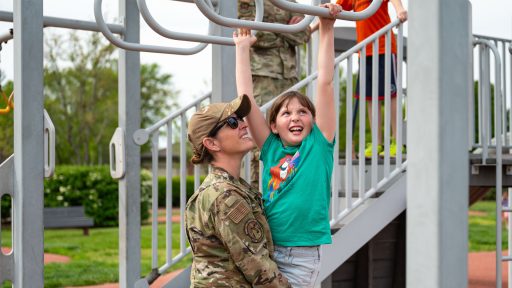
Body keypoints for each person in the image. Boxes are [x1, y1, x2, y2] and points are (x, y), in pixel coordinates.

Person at [234, 3, 341, 287]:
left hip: (301, 256)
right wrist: (242, 48)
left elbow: (325, 83)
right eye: (286, 113)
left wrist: (326, 28)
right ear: (273, 125)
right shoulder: (270, 148)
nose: (295, 117)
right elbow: (246, 101)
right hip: (266, 248)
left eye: (302, 112)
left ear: (313, 120)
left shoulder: (318, 146)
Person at [185, 95, 291, 287]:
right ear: (212, 143)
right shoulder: (225, 195)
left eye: (240, 119)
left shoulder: (229, 188)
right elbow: (259, 267)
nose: (243, 125)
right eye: (232, 122)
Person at [238, 0, 311, 188]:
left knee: (290, 137)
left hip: (289, 78)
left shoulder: (289, 2)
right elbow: (252, 34)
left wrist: (274, 28)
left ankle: (285, 186)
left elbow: (304, 34)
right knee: (259, 138)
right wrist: (286, 29)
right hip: (263, 77)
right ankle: (257, 192)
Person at [337, 0, 408, 157]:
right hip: (365, 51)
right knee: (370, 98)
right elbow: (337, 9)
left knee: (391, 95)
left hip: (384, 47)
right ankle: (377, 143)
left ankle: (397, 141)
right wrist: (314, 26)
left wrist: (400, 9)